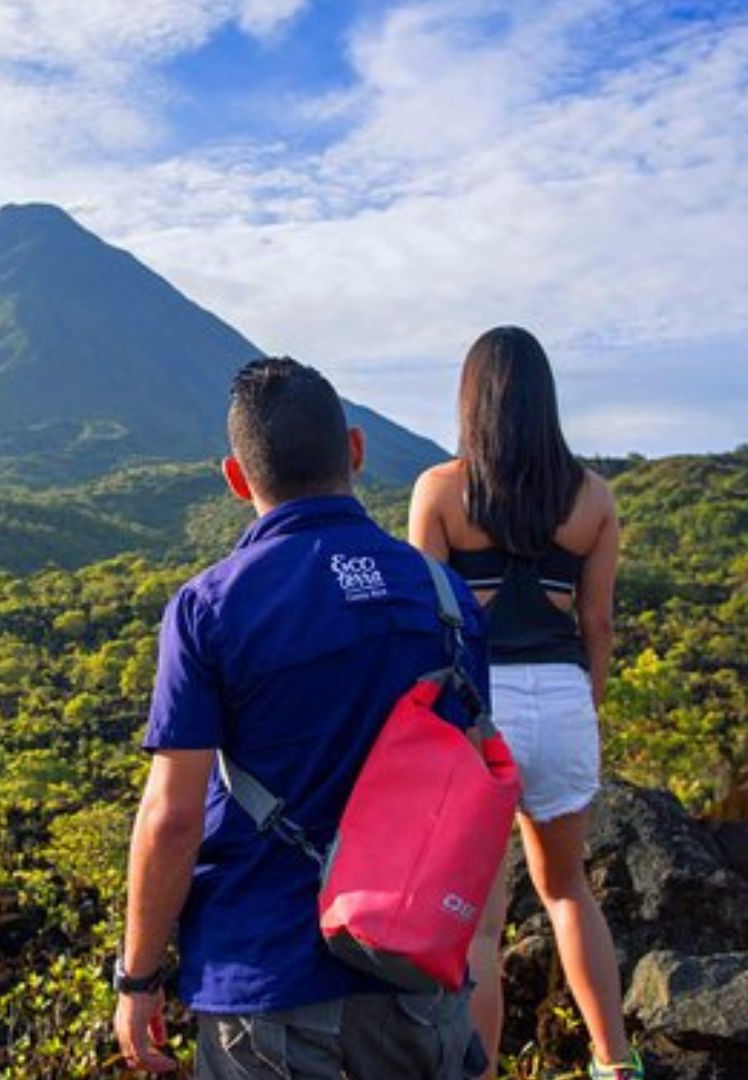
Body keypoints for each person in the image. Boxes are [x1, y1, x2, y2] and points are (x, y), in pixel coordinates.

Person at [114, 356, 490, 1078]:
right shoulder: (443, 596)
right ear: (355, 449)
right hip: (417, 979)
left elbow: (172, 817)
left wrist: (137, 978)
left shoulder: (210, 607)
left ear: (235, 477)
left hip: (264, 979)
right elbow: (472, 785)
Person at [407, 326, 640, 1080]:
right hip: (564, 698)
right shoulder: (592, 497)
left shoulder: (440, 491)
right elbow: (597, 625)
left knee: (479, 926)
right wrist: (585, 707)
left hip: (479, 711)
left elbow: (426, 627)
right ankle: (615, 1063)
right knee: (569, 890)